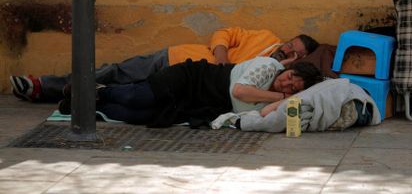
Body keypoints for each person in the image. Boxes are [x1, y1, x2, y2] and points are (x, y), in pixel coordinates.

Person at [10, 27, 319, 103]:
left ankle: (63, 94)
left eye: (296, 53)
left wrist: (283, 62)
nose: (288, 50)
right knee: (114, 71)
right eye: (290, 44)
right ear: (287, 38)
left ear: (299, 60)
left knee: (120, 89)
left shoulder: (274, 72)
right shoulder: (265, 36)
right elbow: (225, 32)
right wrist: (221, 53)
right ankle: (44, 86)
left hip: (187, 82)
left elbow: (248, 81)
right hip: (176, 58)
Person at [58, 57, 323, 128]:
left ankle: (86, 107)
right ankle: (96, 90)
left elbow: (264, 113)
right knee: (138, 97)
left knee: (141, 115)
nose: (286, 85)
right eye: (289, 78)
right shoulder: (268, 67)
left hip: (202, 104)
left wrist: (290, 101)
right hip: (193, 79)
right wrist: (281, 98)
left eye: (293, 88)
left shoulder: (287, 97)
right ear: (287, 70)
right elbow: (241, 91)